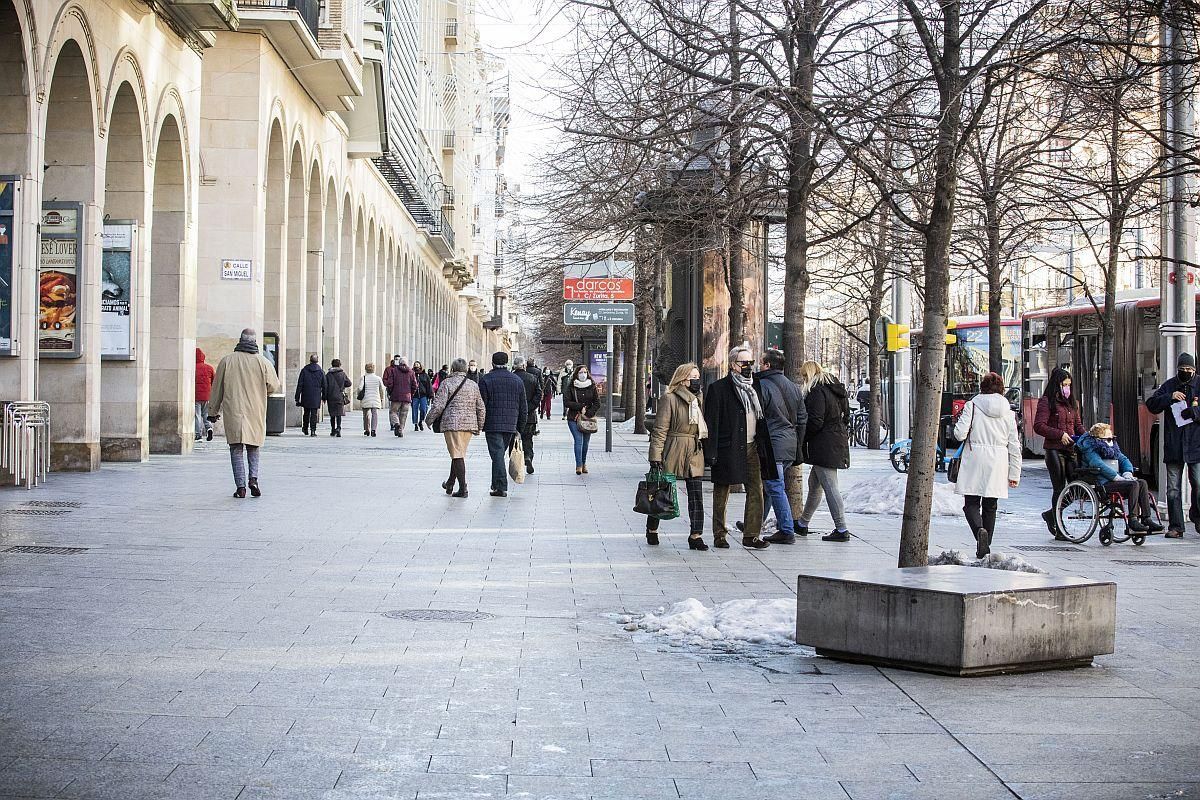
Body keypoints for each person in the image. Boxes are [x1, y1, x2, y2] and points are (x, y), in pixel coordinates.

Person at [703, 345, 774, 550]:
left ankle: (751, 535)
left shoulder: (756, 386)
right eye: (744, 363)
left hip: (753, 445)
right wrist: (712, 452)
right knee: (722, 489)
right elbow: (712, 423)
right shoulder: (719, 388)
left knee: (756, 490)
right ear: (733, 365)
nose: (748, 366)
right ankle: (719, 534)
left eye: (750, 362)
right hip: (729, 446)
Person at [952, 371, 1022, 558]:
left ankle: (979, 532)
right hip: (998, 460)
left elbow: (959, 435)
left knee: (971, 504)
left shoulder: (972, 406)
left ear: (982, 388)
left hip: (975, 458)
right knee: (991, 505)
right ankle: (985, 546)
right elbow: (1014, 444)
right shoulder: (1008, 412)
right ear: (1001, 390)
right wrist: (1014, 473)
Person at [207, 328, 281, 498]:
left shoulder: (227, 361)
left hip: (234, 410)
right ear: (255, 342)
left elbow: (217, 389)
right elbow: (273, 385)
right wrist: (261, 392)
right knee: (254, 447)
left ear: (240, 340)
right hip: (255, 409)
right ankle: (253, 479)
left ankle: (240, 486)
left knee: (236, 448)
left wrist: (213, 411)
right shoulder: (263, 362)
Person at [648, 362, 710, 550]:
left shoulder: (697, 399)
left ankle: (696, 535)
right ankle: (652, 528)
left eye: (698, 377)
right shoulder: (670, 399)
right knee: (662, 490)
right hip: (673, 448)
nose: (697, 381)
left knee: (696, 494)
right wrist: (655, 456)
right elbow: (659, 430)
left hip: (694, 449)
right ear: (683, 380)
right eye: (693, 378)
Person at [795, 360, 853, 542]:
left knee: (829, 486)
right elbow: (846, 417)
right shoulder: (836, 390)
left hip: (823, 445)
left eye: (804, 376)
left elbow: (815, 421)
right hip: (835, 441)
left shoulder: (817, 391)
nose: (803, 380)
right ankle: (803, 523)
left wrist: (802, 436)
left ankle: (841, 528)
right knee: (815, 485)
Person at [1145, 353, 1200, 538]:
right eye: (1183, 369)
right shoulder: (1169, 385)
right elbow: (1151, 404)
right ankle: (1176, 527)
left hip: (1196, 445)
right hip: (1174, 445)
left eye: (1189, 370)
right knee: (1173, 488)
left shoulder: (1199, 384)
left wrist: (1194, 412)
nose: (1186, 372)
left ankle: (1197, 518)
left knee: (1198, 484)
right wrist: (1170, 397)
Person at [1075, 422, 1164, 534]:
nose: (1111, 441)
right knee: (1133, 485)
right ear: (1098, 439)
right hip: (1102, 482)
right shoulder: (1090, 448)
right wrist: (1116, 477)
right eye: (1108, 439)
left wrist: (1127, 473)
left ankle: (1146, 519)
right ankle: (1132, 520)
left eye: (1112, 438)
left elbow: (1123, 459)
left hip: (1115, 480)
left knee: (1142, 483)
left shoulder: (1112, 447)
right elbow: (1096, 463)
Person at [757, 349, 807, 544]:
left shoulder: (762, 385)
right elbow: (803, 419)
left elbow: (758, 417)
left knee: (775, 486)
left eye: (761, 363)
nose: (759, 366)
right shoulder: (794, 388)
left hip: (773, 444)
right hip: (789, 444)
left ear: (768, 365)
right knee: (771, 485)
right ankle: (756, 522)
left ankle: (786, 529)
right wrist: (797, 443)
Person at [1033, 367, 1086, 539]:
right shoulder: (1047, 402)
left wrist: (1087, 438)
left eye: (1069, 385)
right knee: (1059, 488)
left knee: (1078, 486)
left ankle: (1051, 514)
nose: (1067, 388)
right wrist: (1059, 434)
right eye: (1064, 385)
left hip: (1070, 449)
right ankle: (1058, 526)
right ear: (1057, 385)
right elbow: (1039, 426)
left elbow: (1077, 425)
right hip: (1054, 449)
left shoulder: (1072, 403)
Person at [428, 358, 486, 498]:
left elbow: (438, 405)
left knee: (457, 455)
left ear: (453, 369)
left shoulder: (447, 383)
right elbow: (481, 407)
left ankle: (463, 488)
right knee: (458, 453)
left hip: (453, 423)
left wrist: (429, 419)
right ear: (466, 369)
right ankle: (450, 483)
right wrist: (479, 425)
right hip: (469, 424)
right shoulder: (472, 385)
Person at [478, 351, 527, 497]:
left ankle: (500, 486)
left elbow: (481, 404)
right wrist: (520, 428)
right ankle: (496, 484)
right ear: (507, 363)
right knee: (499, 454)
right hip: (510, 424)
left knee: (497, 455)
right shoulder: (517, 380)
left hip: (492, 424)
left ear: (492, 363)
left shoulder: (486, 379)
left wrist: (480, 423)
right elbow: (523, 406)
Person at [563, 364, 600, 475]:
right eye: (580, 372)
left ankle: (584, 463)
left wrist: (589, 412)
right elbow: (567, 402)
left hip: (588, 419)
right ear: (576, 374)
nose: (582, 374)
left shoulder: (592, 386)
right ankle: (578, 465)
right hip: (574, 418)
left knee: (586, 443)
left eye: (584, 372)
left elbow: (597, 402)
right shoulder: (571, 386)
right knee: (579, 440)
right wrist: (580, 407)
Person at [514, 356, 542, 475]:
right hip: (529, 416)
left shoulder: (512, 378)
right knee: (528, 439)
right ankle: (528, 457)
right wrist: (530, 407)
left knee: (514, 440)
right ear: (524, 366)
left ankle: (516, 463)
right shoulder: (533, 378)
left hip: (514, 415)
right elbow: (539, 393)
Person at [383, 355, 418, 436]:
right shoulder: (411, 372)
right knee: (404, 414)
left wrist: (390, 392)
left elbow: (390, 383)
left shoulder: (394, 370)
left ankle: (396, 424)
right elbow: (415, 385)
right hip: (407, 397)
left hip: (396, 396)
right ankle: (401, 430)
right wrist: (411, 394)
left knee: (393, 412)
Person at [294, 354, 325, 437]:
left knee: (306, 412)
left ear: (310, 360)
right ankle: (313, 430)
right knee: (314, 414)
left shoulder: (304, 370)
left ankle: (305, 428)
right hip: (316, 396)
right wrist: (324, 397)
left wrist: (297, 397)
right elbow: (324, 385)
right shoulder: (321, 371)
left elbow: (300, 384)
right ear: (317, 361)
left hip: (306, 395)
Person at [323, 358, 351, 436]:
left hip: (331, 396)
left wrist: (324, 397)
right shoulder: (343, 374)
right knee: (339, 414)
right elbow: (349, 383)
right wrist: (342, 386)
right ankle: (338, 428)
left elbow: (325, 386)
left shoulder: (328, 374)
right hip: (339, 396)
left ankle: (332, 430)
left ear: (332, 365)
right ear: (339, 365)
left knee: (332, 414)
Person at [358, 362, 386, 436]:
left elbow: (360, 388)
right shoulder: (378, 378)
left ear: (366, 369)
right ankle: (373, 430)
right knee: (374, 414)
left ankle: (367, 429)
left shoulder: (363, 378)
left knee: (365, 415)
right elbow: (382, 389)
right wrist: (382, 398)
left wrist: (359, 394)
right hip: (375, 399)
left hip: (366, 399)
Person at [195, 347, 215, 442]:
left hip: (196, 396)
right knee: (206, 414)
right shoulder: (209, 368)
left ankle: (198, 435)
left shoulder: (192, 368)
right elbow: (214, 382)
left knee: (197, 415)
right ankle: (209, 428)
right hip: (207, 395)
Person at [412, 361, 434, 431]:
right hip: (414, 395)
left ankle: (421, 421)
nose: (416, 366)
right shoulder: (412, 374)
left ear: (421, 366)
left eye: (418, 364)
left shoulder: (425, 375)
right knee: (414, 410)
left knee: (423, 409)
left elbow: (429, 385)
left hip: (423, 395)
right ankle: (415, 424)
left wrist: (431, 394)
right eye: (415, 365)